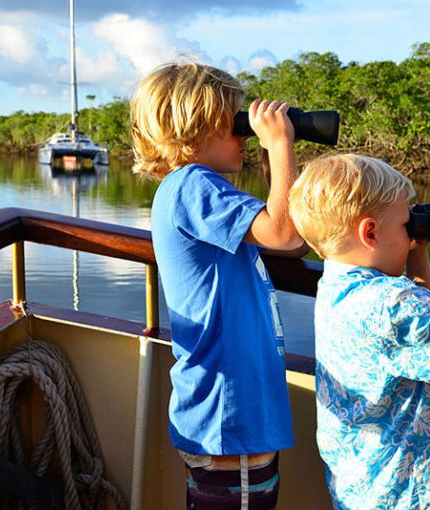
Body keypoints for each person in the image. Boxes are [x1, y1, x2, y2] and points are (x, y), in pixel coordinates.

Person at [288, 154, 430, 510]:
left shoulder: (338, 286)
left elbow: (413, 332)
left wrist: (416, 252)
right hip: (413, 492)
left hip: (365, 488)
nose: (411, 228)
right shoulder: (390, 304)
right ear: (370, 232)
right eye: (405, 223)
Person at [131, 61, 307, 510]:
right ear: (194, 129)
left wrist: (275, 166)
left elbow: (290, 244)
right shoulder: (193, 185)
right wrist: (281, 141)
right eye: (235, 122)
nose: (244, 133)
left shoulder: (195, 190)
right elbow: (285, 233)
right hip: (229, 415)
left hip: (229, 414)